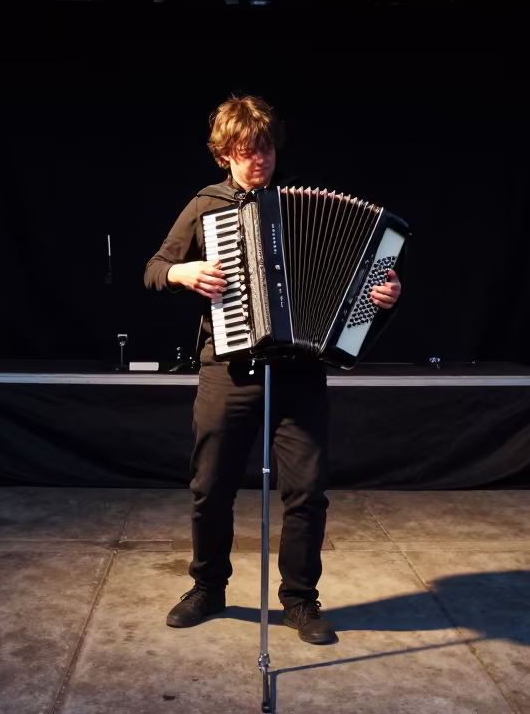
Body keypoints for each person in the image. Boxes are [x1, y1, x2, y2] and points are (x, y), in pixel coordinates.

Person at [144, 95, 401, 645]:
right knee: (211, 487)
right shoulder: (205, 205)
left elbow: (358, 287)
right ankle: (208, 587)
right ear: (224, 155)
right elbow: (154, 270)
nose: (256, 160)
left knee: (307, 491)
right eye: (244, 152)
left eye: (263, 148)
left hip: (300, 371)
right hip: (227, 370)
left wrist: (384, 296)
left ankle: (300, 601)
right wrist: (184, 272)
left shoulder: (295, 201)